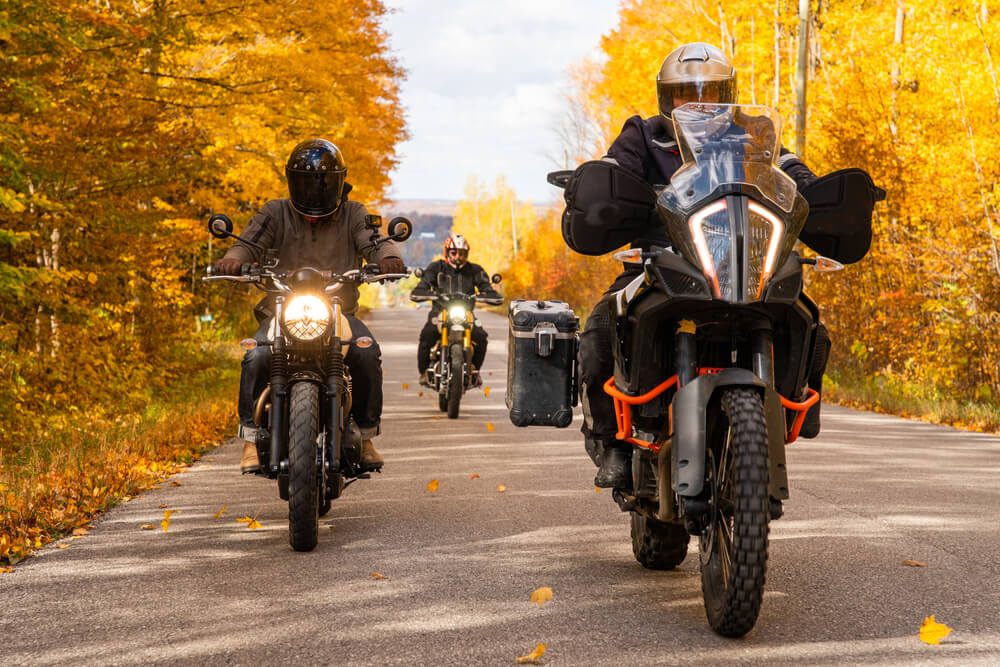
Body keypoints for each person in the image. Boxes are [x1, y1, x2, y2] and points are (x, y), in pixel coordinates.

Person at [576, 42, 828, 489]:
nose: (697, 103)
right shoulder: (644, 134)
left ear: (727, 94)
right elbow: (616, 166)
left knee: (808, 317)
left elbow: (788, 168)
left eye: (710, 93)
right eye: (683, 94)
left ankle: (799, 405)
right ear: (665, 98)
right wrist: (600, 180)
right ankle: (611, 442)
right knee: (600, 326)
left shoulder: (751, 133)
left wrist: (815, 191)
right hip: (658, 260)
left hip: (743, 259)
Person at [214, 138, 406, 474]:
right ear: (292, 182)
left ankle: (365, 435)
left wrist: (389, 258)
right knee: (257, 354)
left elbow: (375, 241)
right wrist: (232, 261)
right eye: (305, 182)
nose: (314, 190)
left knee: (365, 351)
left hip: (336, 311)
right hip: (281, 309)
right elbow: (248, 243)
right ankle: (250, 437)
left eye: (322, 182)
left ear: (337, 182)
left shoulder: (354, 213)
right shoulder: (275, 212)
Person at [409, 234, 502, 385]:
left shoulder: (474, 270)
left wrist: (490, 295)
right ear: (447, 252)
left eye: (462, 253)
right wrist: (423, 292)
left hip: (466, 314)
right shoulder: (436, 268)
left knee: (480, 336)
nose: (458, 256)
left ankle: (475, 371)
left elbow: (487, 287)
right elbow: (422, 285)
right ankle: (424, 372)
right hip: (439, 312)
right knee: (427, 335)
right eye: (454, 252)